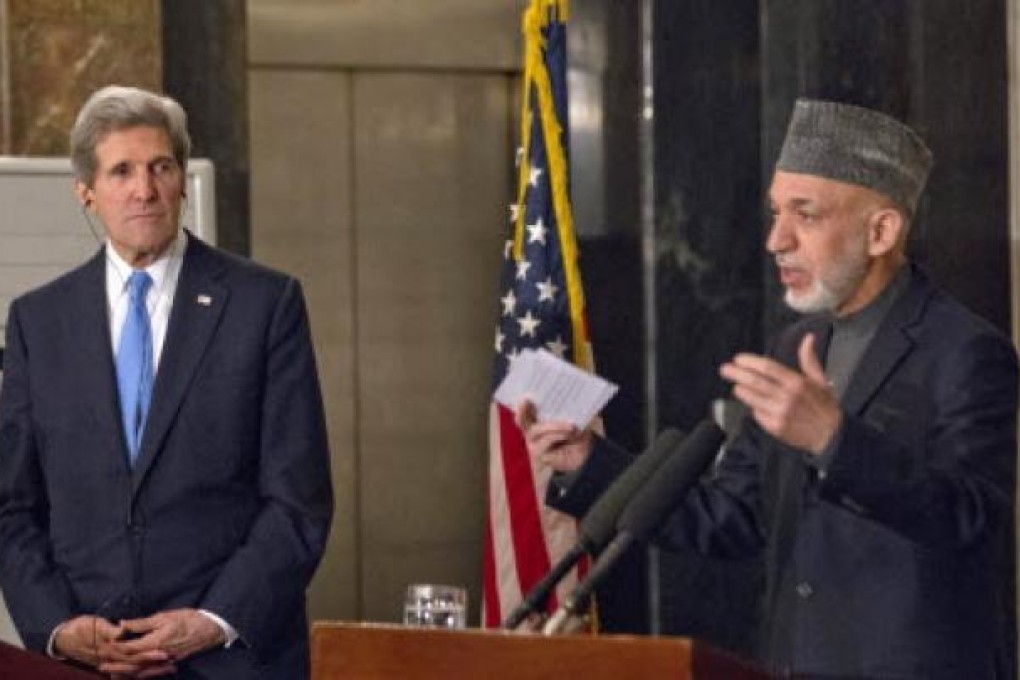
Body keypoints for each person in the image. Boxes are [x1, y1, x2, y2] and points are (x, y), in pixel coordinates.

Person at [518, 99, 1018, 678]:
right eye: (775, 212)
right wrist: (591, 464)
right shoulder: (795, 345)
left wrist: (834, 440)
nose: (776, 240)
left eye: (804, 214)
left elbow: (969, 517)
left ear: (881, 230)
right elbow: (732, 516)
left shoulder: (965, 351)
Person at [0, 85, 334, 678]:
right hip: (85, 663)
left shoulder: (265, 304)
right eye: (121, 171)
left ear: (182, 178)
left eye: (161, 167)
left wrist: (213, 619)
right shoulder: (38, 322)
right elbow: (13, 506)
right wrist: (57, 628)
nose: (144, 190)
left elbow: (298, 501)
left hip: (229, 658)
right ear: (86, 192)